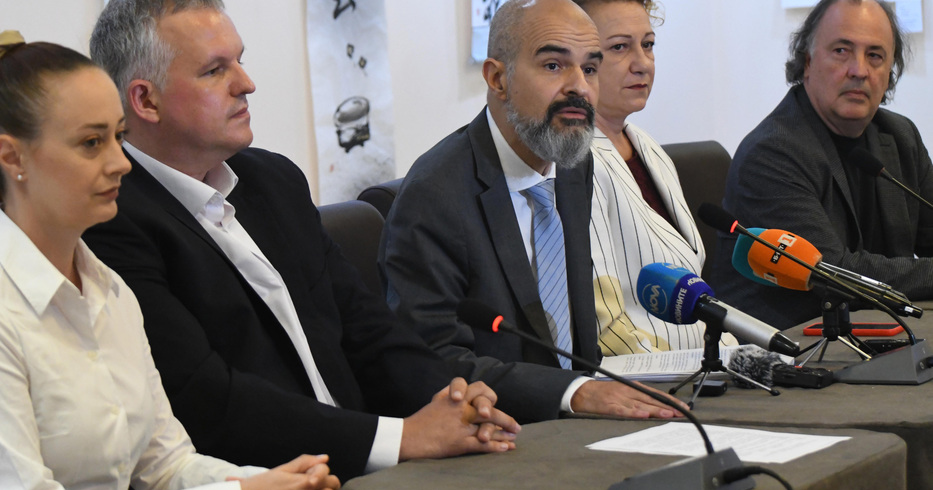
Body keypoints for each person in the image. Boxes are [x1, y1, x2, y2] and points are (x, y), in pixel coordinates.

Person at [82, 0, 520, 482]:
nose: (246, 83)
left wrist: (450, 397)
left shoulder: (273, 181)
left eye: (240, 60)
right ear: (146, 101)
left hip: (373, 463)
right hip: (269, 478)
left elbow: (367, 327)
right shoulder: (109, 222)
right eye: (214, 71)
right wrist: (401, 438)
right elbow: (204, 398)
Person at [0, 33, 340, 490]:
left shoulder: (110, 288)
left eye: (118, 137)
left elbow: (165, 466)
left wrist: (272, 480)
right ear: (12, 157)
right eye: (91, 143)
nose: (120, 163)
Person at [380, 0, 682, 421]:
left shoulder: (573, 164)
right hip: (498, 430)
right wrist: (573, 393)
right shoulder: (436, 195)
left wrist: (594, 392)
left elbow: (578, 342)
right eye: (554, 66)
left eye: (590, 68)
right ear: (497, 78)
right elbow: (430, 360)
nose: (579, 87)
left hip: (581, 424)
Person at [710, 0, 933, 329]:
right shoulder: (772, 152)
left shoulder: (900, 137)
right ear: (807, 62)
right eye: (842, 51)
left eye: (875, 55)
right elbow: (834, 275)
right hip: (789, 343)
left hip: (877, 333)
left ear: (889, 73)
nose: (859, 70)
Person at [573, 0, 738, 354]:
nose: (643, 63)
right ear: (580, 62)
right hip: (646, 373)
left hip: (699, 359)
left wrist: (734, 353)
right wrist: (688, 375)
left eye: (647, 44)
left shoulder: (647, 147)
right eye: (620, 47)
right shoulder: (576, 164)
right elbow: (605, 328)